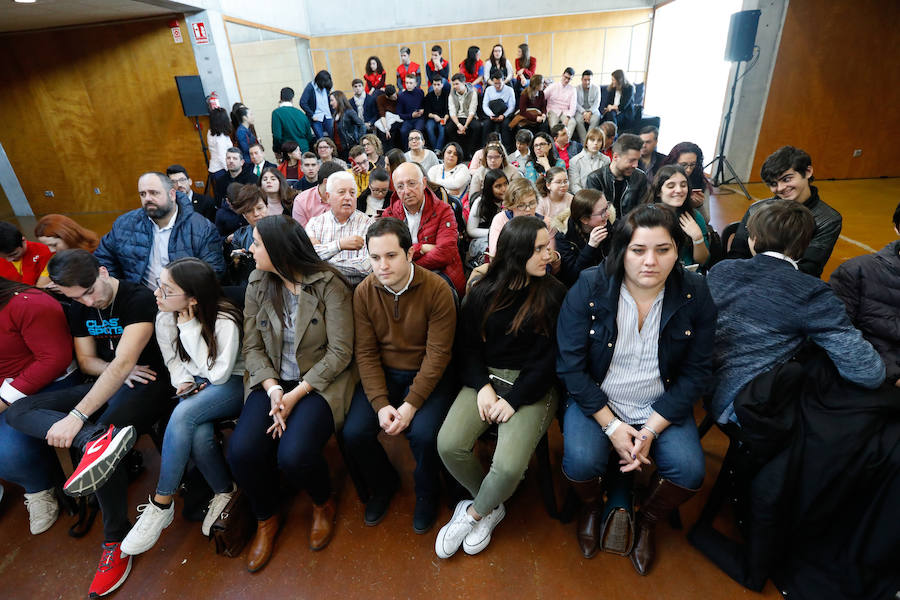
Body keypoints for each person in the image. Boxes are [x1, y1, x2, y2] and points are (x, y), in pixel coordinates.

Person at [5, 249, 173, 598]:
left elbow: (125, 360)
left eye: (90, 291)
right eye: (77, 297)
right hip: (106, 381)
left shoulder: (137, 298)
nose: (88, 300)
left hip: (150, 382)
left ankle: (114, 541)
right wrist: (112, 375)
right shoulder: (80, 306)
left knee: (105, 434)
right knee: (17, 410)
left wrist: (78, 415)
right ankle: (94, 440)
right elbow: (87, 360)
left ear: (102, 270)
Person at [557, 204, 715, 573]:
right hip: (599, 399)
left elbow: (696, 372)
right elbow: (570, 366)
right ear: (621, 251)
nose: (651, 261)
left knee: (690, 471)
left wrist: (650, 430)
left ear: (678, 251)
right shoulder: (590, 287)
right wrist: (612, 426)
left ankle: (646, 521)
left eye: (663, 250)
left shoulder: (695, 292)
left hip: (661, 403)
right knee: (580, 462)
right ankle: (595, 506)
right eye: (638, 250)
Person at [227, 215, 356, 571]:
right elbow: (251, 347)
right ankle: (265, 517)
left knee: (294, 454)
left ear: (279, 250)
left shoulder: (328, 283)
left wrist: (295, 394)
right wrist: (271, 390)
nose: (250, 250)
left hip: (318, 381)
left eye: (256, 244)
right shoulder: (257, 281)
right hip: (272, 382)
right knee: (242, 451)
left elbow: (341, 352)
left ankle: (321, 502)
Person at [435, 215, 565, 558]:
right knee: (448, 444)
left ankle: (475, 513)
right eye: (538, 249)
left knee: (507, 468)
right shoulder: (483, 291)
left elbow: (550, 360)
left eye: (547, 247)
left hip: (533, 384)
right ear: (515, 252)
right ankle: (493, 503)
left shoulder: (554, 293)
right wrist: (481, 386)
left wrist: (516, 399)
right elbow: (468, 347)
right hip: (488, 376)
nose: (548, 255)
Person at [708, 198, 885, 426]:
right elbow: (868, 373)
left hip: (701, 386)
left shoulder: (721, 270)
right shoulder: (811, 293)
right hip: (748, 405)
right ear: (805, 245)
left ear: (754, 239)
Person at [118, 258, 244, 555]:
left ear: (193, 297)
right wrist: (184, 383)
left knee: (184, 414)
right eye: (158, 286)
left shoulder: (224, 319)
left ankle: (161, 503)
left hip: (234, 383)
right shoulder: (165, 316)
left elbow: (218, 374)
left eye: (166, 289)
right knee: (197, 430)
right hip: (199, 382)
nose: (157, 294)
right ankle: (225, 491)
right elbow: (173, 362)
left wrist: (188, 328)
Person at [343, 217, 457, 533]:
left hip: (428, 375)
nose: (382, 266)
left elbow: (438, 357)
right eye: (375, 257)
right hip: (386, 374)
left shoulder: (437, 290)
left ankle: (427, 493)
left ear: (409, 254)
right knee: (354, 433)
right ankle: (384, 483)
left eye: (391, 256)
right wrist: (381, 404)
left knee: (422, 434)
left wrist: (410, 404)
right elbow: (365, 353)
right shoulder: (364, 292)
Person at [0, 279, 78, 536]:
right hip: (7, 388)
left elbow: (54, 358)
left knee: (10, 452)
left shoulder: (27, 303)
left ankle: (38, 488)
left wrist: (4, 398)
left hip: (49, 385)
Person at [727, 146, 841, 279]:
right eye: (773, 184)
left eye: (786, 179)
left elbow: (809, 269)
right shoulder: (756, 210)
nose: (780, 188)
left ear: (808, 171)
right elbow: (736, 256)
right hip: (747, 279)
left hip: (793, 284)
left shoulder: (828, 219)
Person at [94, 172, 224, 288]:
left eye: (154, 192)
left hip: (184, 304)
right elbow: (104, 258)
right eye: (142, 194)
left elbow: (213, 272)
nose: (147, 198)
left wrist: (181, 297)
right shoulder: (125, 224)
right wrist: (122, 290)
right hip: (140, 303)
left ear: (172, 194)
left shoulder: (201, 228)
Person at [829, 202, 900, 386]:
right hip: (876, 374)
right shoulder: (856, 271)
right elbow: (839, 335)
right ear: (897, 229)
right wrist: (892, 373)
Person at [381, 162, 465, 294]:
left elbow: (445, 254)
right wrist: (424, 248)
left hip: (442, 274)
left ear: (424, 183)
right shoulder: (389, 214)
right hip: (402, 278)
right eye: (400, 186)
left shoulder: (444, 210)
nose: (407, 191)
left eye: (412, 183)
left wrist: (409, 262)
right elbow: (388, 253)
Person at [305, 171, 374, 284]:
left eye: (352, 193)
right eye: (341, 192)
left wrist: (322, 261)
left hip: (357, 290)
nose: (348, 197)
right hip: (322, 289)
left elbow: (367, 266)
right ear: (328, 197)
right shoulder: (314, 224)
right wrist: (339, 245)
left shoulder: (368, 224)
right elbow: (307, 258)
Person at [647, 165, 709, 268]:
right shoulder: (646, 216)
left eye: (683, 185)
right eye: (671, 186)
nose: (679, 190)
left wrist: (697, 237)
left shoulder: (694, 216)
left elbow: (702, 261)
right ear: (658, 192)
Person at [555, 188, 612, 287]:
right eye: (602, 212)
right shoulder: (564, 236)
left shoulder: (610, 224)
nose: (608, 214)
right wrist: (591, 246)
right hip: (582, 286)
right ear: (584, 219)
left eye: (607, 208)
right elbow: (572, 275)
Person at [585, 133, 648, 218]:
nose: (636, 165)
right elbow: (595, 215)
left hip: (631, 228)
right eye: (631, 160)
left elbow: (642, 212)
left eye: (637, 160)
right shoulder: (595, 178)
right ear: (615, 157)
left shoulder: (640, 177)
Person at [225, 184, 268, 283]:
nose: (256, 214)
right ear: (244, 215)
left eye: (260, 208)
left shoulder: (282, 230)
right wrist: (237, 262)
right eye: (249, 211)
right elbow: (235, 275)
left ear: (267, 207)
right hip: (250, 284)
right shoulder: (239, 235)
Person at [660, 142, 711, 223]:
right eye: (683, 165)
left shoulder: (701, 183)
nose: (688, 169)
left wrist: (699, 206)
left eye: (693, 164)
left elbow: (706, 220)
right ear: (673, 162)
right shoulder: (662, 178)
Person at [467, 169, 509, 264]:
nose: (504, 189)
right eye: (498, 186)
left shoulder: (512, 199)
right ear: (489, 188)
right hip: (484, 238)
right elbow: (471, 230)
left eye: (505, 184)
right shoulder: (480, 203)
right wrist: (494, 232)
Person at [291, 161, 346, 227]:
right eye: (339, 183)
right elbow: (301, 233)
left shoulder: (345, 198)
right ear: (326, 182)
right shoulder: (301, 200)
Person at [0, 223, 52, 287]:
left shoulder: (46, 253)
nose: (9, 260)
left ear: (23, 241)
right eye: (2, 257)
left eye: (14, 254)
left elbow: (40, 288)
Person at [446, 74, 482, 160]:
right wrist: (459, 125)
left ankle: (470, 152)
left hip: (469, 117)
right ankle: (458, 151)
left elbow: (472, 112)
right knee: (448, 128)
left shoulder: (472, 92)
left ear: (463, 83)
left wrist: (465, 126)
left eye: (457, 84)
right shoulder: (451, 94)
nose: (455, 86)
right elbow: (452, 112)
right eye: (453, 84)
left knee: (476, 127)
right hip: (457, 118)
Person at [272, 87, 315, 158]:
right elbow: (309, 136)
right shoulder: (301, 113)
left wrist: (277, 150)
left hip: (289, 151)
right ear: (292, 98)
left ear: (280, 98)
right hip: (304, 150)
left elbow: (277, 136)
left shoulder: (277, 113)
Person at [569, 127, 610, 194]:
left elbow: (606, 184)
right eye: (592, 140)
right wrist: (587, 199)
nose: (595, 143)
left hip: (600, 196)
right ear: (586, 142)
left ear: (602, 143)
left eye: (599, 140)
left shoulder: (606, 160)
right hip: (582, 198)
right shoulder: (574, 161)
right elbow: (574, 186)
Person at [482, 68, 516, 148]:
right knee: (486, 125)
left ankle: (506, 148)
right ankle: (485, 147)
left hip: (505, 114)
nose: (497, 86)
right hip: (492, 114)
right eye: (495, 83)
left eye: (499, 83)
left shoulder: (509, 90)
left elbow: (512, 106)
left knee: (505, 125)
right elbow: (485, 105)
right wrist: (491, 114)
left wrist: (504, 115)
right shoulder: (489, 89)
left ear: (503, 81)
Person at [330, 90, 366, 160]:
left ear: (338, 100)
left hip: (349, 148)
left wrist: (358, 141)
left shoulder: (349, 112)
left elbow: (362, 125)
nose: (330, 103)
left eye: (332, 100)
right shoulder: (335, 114)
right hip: (339, 150)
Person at [35, 214, 100, 253]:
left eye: (54, 245)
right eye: (47, 246)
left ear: (68, 237)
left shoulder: (99, 253)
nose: (51, 250)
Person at [300, 70, 334, 140]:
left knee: (333, 137)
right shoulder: (310, 87)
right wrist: (312, 115)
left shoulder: (326, 87)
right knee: (320, 139)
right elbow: (302, 102)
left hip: (328, 116)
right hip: (316, 118)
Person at [544, 68, 577, 139]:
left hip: (565, 111)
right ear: (562, 75)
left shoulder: (573, 90)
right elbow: (543, 97)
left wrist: (568, 118)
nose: (567, 80)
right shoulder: (553, 86)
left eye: (569, 79)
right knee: (554, 127)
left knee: (572, 122)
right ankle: (556, 145)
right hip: (553, 110)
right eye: (566, 77)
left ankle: (566, 142)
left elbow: (573, 107)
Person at [398, 74, 426, 151]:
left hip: (419, 118)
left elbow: (424, 105)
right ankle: (407, 151)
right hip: (408, 119)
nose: (408, 85)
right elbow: (400, 114)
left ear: (415, 84)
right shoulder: (402, 95)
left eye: (410, 83)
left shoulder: (420, 92)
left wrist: (423, 110)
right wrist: (411, 115)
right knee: (403, 131)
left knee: (418, 131)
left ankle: (420, 149)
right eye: (406, 83)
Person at [574, 70, 602, 143]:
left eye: (589, 80)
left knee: (596, 118)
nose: (587, 82)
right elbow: (575, 103)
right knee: (578, 120)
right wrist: (584, 112)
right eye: (585, 80)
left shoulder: (596, 88)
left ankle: (590, 139)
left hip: (593, 110)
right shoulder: (576, 88)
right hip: (580, 111)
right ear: (581, 79)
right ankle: (584, 142)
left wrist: (589, 112)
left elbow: (597, 103)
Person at [423, 75, 450, 151]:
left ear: (442, 85)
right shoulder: (429, 96)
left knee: (442, 129)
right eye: (434, 85)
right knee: (429, 127)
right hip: (432, 118)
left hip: (443, 117)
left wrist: (445, 119)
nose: (436, 87)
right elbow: (427, 112)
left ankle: (438, 149)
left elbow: (448, 110)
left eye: (438, 85)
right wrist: (434, 116)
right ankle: (436, 148)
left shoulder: (446, 95)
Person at [207, 107, 232, 175]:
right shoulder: (220, 137)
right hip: (221, 169)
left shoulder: (210, 132)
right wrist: (229, 171)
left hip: (215, 168)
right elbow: (222, 156)